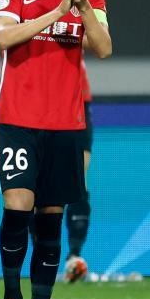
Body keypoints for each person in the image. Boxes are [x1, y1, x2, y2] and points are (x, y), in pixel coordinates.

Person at [0, 0, 112, 299]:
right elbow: (2, 37)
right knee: (17, 206)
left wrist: (81, 10)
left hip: (66, 122)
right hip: (18, 117)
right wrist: (57, 12)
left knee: (50, 217)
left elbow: (104, 47)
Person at [64, 60, 93, 282]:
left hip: (78, 106)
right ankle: (42, 255)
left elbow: (103, 48)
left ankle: (74, 256)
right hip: (40, 106)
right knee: (38, 188)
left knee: (77, 184)